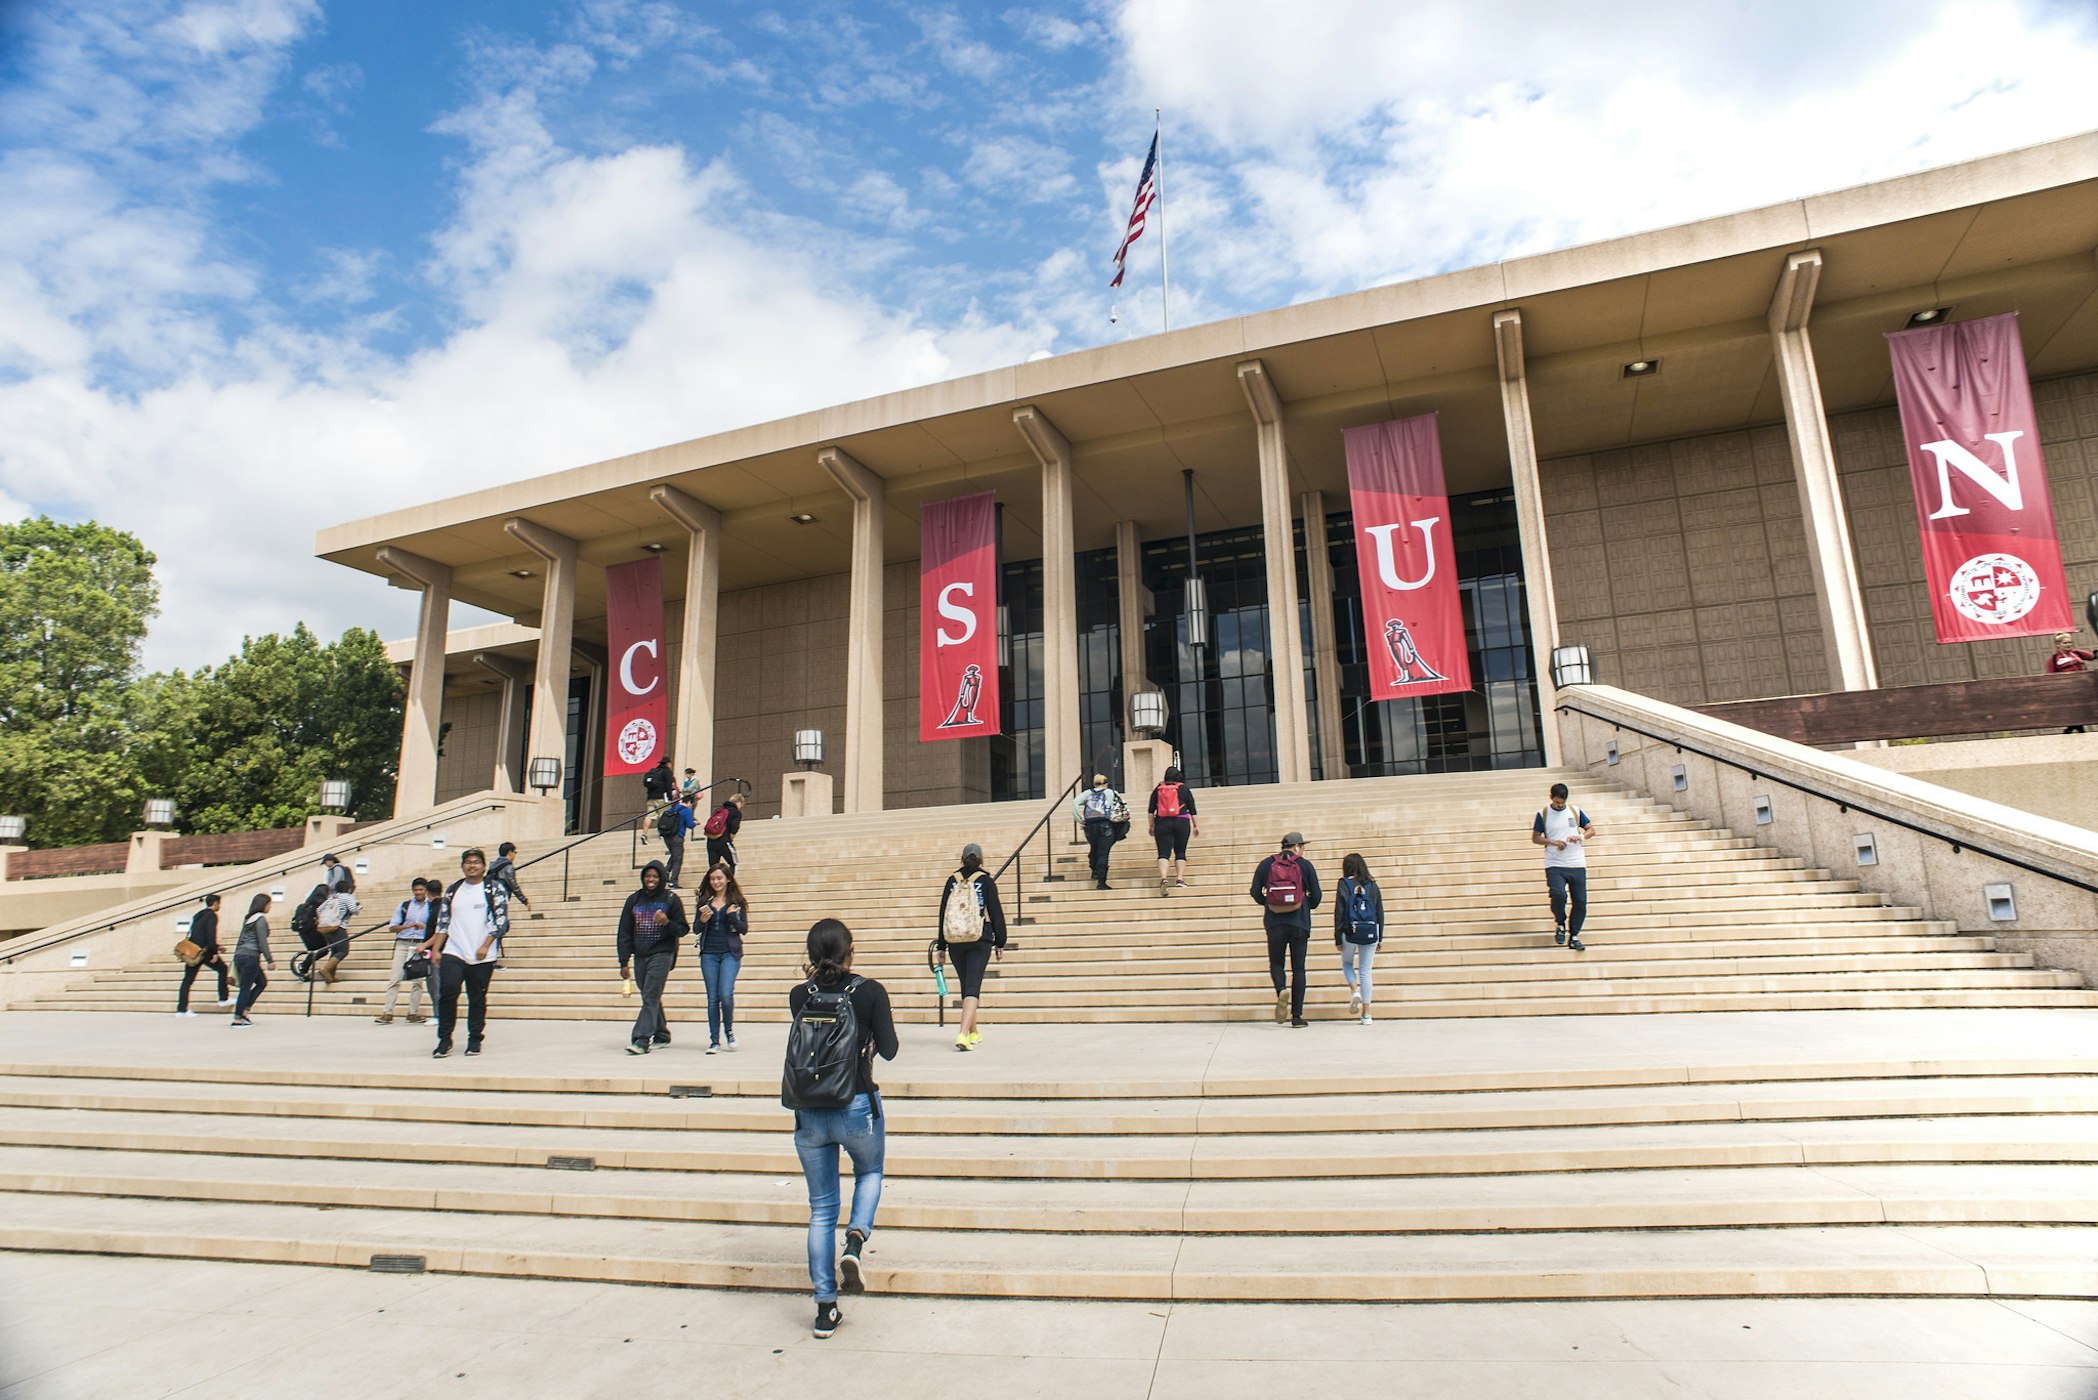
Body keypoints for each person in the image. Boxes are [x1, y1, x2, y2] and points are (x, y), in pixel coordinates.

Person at [786, 918, 899, 1340]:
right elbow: (889, 1050)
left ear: (811, 954)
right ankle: (855, 1240)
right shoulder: (869, 991)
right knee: (870, 1173)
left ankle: (825, 1308)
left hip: (810, 1111)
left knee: (820, 1210)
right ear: (851, 949)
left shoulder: (801, 994)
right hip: (855, 1102)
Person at [421, 847, 510, 1058]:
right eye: (468, 862)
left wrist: (485, 945)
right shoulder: (453, 890)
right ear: (463, 866)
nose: (472, 865)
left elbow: (501, 922)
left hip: (482, 954)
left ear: (483, 866)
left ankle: (474, 1039)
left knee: (477, 997)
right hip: (455, 950)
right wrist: (435, 951)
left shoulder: (494, 889)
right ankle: (444, 1039)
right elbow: (443, 923)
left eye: (476, 862)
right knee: (448, 992)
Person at [933, 843, 1006, 1052]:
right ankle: (963, 1034)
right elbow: (996, 913)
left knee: (967, 985)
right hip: (978, 938)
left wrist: (941, 945)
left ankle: (974, 1032)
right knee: (973, 986)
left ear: (961, 860)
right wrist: (1000, 941)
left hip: (955, 939)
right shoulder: (985, 880)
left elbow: (943, 913)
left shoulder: (952, 881)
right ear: (981, 860)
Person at [1250, 832, 1322, 1027]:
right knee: (1299, 969)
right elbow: (1317, 896)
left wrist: (1268, 903)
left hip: (1275, 923)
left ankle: (1281, 989)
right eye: (1303, 846)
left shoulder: (1266, 864)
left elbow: (1254, 892)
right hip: (1299, 922)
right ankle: (1297, 1017)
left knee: (1276, 963)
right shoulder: (1304, 865)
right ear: (1297, 847)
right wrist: (1305, 903)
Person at [616, 859, 687, 1055]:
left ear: (662, 878)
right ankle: (662, 1033)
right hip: (640, 955)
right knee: (650, 995)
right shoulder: (634, 900)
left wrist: (667, 922)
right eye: (648, 876)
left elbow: (682, 929)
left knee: (650, 995)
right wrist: (624, 961)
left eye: (655, 876)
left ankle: (641, 1039)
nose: (651, 879)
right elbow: (624, 932)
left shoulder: (671, 899)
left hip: (662, 953)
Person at [1533, 782, 1599, 953]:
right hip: (1554, 862)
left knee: (1580, 901)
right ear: (1551, 798)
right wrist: (1553, 841)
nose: (1560, 805)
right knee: (1558, 894)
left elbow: (1592, 829)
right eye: (1557, 802)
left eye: (1562, 802)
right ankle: (1560, 922)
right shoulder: (1544, 813)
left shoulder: (1575, 811)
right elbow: (1535, 838)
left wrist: (1581, 837)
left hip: (1576, 862)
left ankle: (1574, 935)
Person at [693, 861, 749, 1053]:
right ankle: (714, 1040)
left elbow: (744, 929)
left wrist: (733, 916)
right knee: (712, 998)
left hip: (730, 953)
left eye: (719, 878)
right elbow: (695, 929)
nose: (716, 882)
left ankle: (729, 1031)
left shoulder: (737, 902)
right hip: (709, 952)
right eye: (712, 878)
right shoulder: (704, 902)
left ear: (727, 879)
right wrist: (702, 920)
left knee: (725, 994)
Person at [1332, 853, 1384, 1025]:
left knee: (1347, 963)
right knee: (1366, 971)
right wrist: (1380, 936)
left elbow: (1339, 912)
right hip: (1370, 931)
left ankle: (1354, 990)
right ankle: (1367, 1014)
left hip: (1349, 931)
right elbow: (1379, 911)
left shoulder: (1344, 884)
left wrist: (1338, 936)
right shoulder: (1372, 885)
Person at [375, 878, 434, 1024]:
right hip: (403, 943)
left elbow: (435, 928)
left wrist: (423, 928)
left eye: (421, 890)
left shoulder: (431, 907)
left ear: (426, 891)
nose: (418, 892)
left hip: (421, 944)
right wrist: (408, 926)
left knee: (418, 981)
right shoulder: (404, 906)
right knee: (395, 978)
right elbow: (392, 927)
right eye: (416, 890)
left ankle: (412, 1012)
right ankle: (387, 1012)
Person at [176, 893, 232, 1015]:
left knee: (187, 980)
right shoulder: (212, 916)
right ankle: (223, 998)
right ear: (215, 903)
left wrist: (217, 947)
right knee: (223, 969)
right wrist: (214, 952)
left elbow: (198, 935)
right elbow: (210, 936)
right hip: (205, 953)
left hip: (193, 952)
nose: (219, 906)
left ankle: (181, 1010)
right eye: (219, 903)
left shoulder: (199, 915)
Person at [1148, 765, 1199, 897]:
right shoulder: (1184, 789)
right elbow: (1192, 809)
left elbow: (1150, 810)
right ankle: (1180, 879)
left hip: (1162, 823)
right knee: (1180, 851)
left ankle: (1164, 878)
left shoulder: (1158, 789)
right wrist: (1195, 825)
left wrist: (1151, 825)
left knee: (1163, 853)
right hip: (1181, 821)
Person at [229, 892, 275, 1026]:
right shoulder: (260, 919)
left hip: (241, 955)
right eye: (269, 904)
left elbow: (240, 939)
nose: (270, 907)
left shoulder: (248, 918)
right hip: (251, 956)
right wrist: (270, 960)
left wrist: (235, 956)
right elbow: (262, 941)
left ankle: (245, 1010)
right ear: (264, 905)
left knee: (261, 982)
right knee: (245, 987)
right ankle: (238, 1017)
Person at [1072, 774, 1123, 889]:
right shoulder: (1110, 792)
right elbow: (1121, 806)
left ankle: (1094, 869)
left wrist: (1079, 820)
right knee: (1103, 853)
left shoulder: (1087, 793)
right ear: (1105, 783)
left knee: (1094, 848)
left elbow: (1074, 803)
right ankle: (1101, 882)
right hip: (1105, 826)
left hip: (1089, 827)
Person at [312, 868, 360, 984]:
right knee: (343, 950)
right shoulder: (348, 897)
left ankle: (331, 976)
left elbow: (318, 910)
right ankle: (326, 969)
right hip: (338, 927)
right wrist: (358, 909)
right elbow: (353, 910)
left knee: (334, 950)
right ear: (348, 889)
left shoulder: (332, 897)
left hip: (326, 928)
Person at [2046, 631, 2096, 732]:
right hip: (2067, 691)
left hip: (2082, 688)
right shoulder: (2054, 659)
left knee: (2081, 712)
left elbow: (2092, 656)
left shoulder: (2076, 653)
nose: (2068, 645)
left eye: (2070, 642)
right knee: (2075, 712)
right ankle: (2074, 729)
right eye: (2065, 643)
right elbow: (2050, 677)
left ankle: (2072, 729)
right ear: (2058, 645)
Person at [657, 795, 697, 887]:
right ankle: (673, 881)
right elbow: (690, 824)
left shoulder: (672, 809)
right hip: (677, 837)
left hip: (667, 836)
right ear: (689, 802)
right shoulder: (686, 810)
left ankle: (666, 872)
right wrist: (695, 823)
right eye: (691, 804)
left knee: (674, 855)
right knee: (678, 860)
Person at [704, 791, 746, 874]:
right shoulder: (736, 812)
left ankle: (711, 886)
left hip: (711, 841)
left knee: (713, 868)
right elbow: (734, 827)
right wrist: (731, 839)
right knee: (734, 863)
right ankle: (730, 885)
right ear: (738, 803)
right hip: (724, 840)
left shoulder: (719, 810)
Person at [488, 842, 531, 911]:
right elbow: (514, 886)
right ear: (510, 852)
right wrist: (525, 901)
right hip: (501, 896)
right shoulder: (508, 867)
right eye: (514, 852)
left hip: (491, 895)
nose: (515, 855)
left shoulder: (493, 865)